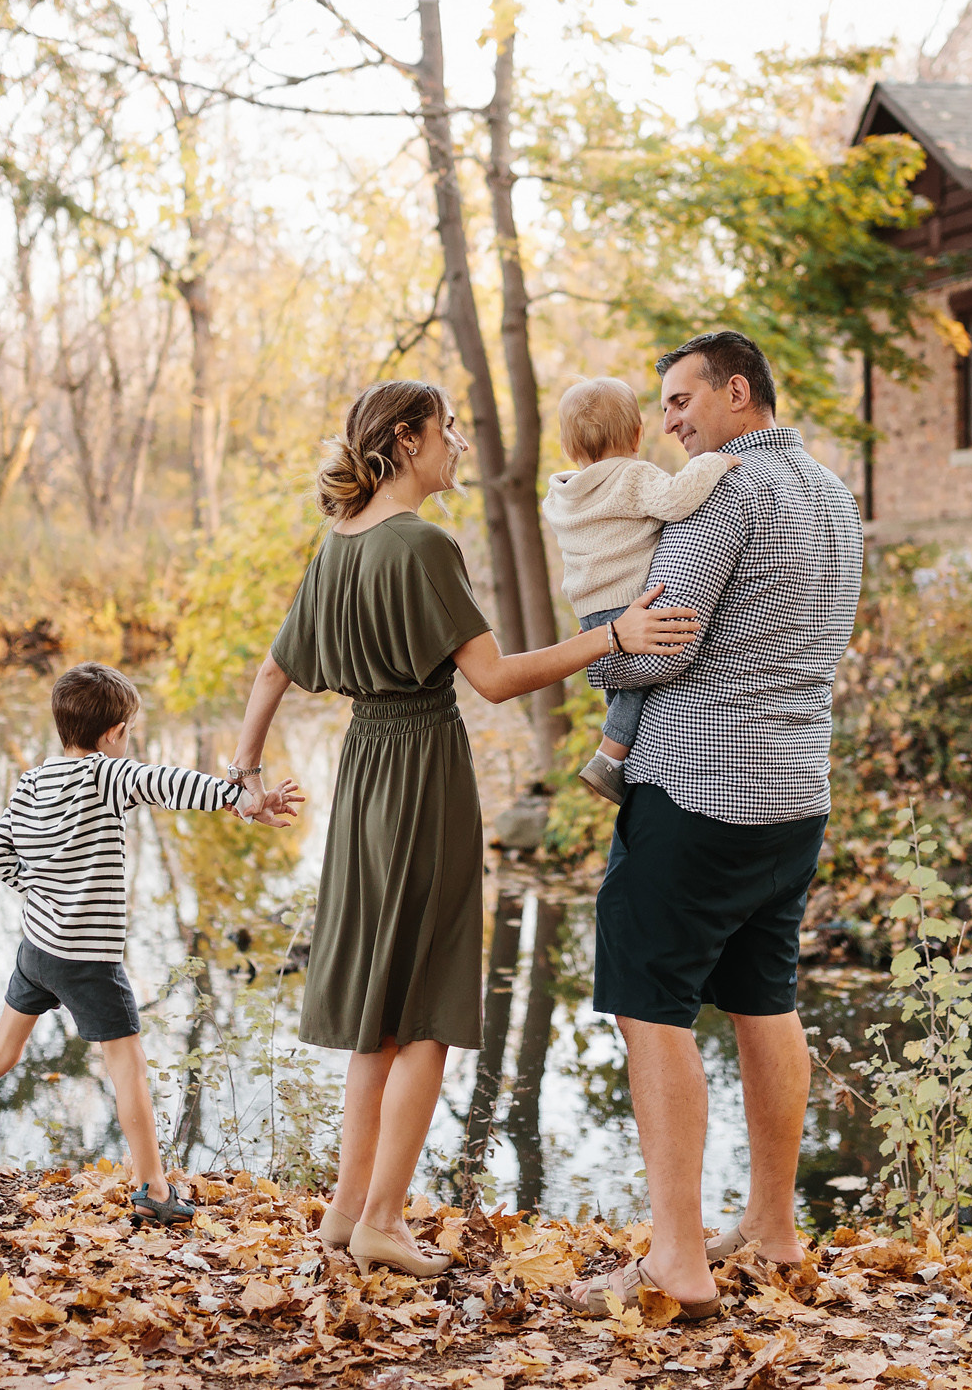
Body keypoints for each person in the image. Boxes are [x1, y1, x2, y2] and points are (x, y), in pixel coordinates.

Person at [225, 380, 699, 1278]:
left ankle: (344, 1207)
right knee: (431, 1006)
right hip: (421, 776)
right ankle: (384, 1218)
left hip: (364, 776)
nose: (459, 446)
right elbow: (495, 678)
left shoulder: (339, 545)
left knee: (378, 1008)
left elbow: (269, 670)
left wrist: (246, 775)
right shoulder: (423, 545)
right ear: (406, 441)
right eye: (449, 431)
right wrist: (615, 635)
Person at [554, 330, 863, 1323]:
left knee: (652, 1011)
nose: (672, 422)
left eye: (684, 400)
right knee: (764, 1001)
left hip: (695, 793)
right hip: (792, 799)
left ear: (738, 391)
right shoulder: (832, 493)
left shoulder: (724, 490)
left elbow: (653, 648)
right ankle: (773, 1232)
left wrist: (601, 650)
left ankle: (677, 1264)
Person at [0, 662, 302, 1220]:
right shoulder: (106, 775)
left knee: (1, 1051)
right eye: (129, 732)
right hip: (86, 958)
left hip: (37, 949)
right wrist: (243, 797)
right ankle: (155, 1191)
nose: (129, 743)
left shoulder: (31, 781)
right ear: (114, 734)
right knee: (128, 1066)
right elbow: (170, 783)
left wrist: (39, 891)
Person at [541, 375, 737, 806]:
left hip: (589, 609)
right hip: (627, 604)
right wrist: (711, 463)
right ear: (636, 435)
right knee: (636, 686)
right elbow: (675, 500)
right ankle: (609, 759)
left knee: (621, 686)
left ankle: (616, 757)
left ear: (567, 447)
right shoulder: (632, 476)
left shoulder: (560, 496)